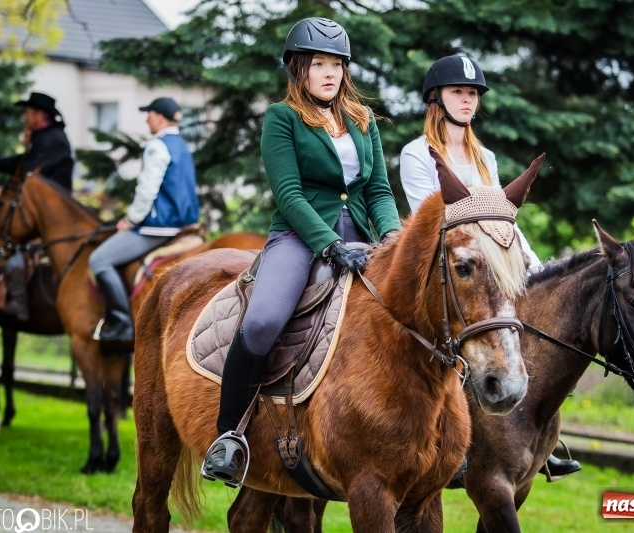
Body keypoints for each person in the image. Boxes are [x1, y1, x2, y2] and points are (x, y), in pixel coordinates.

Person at [201, 17, 401, 488]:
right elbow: (289, 195)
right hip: (298, 236)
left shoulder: (362, 120)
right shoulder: (282, 117)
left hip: (363, 237)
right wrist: (329, 245)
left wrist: (392, 241)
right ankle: (228, 436)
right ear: (298, 69)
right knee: (265, 320)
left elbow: (378, 190)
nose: (329, 73)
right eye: (318, 64)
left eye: (336, 64)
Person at [399, 54, 581, 482]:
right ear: (436, 98)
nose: (467, 101)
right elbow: (431, 220)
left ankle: (539, 440)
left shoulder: (485, 156)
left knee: (525, 331)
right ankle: (454, 442)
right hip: (444, 265)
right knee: (466, 338)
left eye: (472, 94)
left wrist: (533, 265)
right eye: (458, 92)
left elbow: (502, 219)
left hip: (487, 263)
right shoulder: (416, 153)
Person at [88, 97, 199, 343]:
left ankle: (121, 322)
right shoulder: (181, 145)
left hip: (157, 227)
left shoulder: (157, 145)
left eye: (148, 114)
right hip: (185, 225)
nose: (146, 119)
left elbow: (147, 190)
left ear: (159, 117)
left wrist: (130, 219)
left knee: (99, 260)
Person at [0, 92, 74, 321]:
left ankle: (18, 302)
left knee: (10, 240)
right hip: (40, 207)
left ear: (39, 115)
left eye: (27, 112)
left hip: (51, 210)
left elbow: (30, 174)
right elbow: (23, 165)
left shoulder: (52, 139)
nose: (24, 117)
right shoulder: (43, 138)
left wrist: (6, 190)